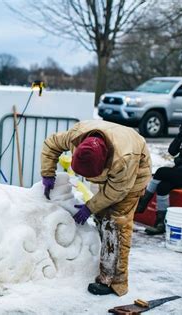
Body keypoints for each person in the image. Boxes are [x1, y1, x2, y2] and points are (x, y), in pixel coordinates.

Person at [41, 120, 152, 297]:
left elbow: (116, 192)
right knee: (102, 215)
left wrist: (89, 207)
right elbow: (51, 144)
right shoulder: (75, 136)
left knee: (117, 223)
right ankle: (104, 254)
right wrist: (47, 174)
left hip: (133, 176)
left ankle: (114, 280)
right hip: (113, 165)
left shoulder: (123, 159)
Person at [136, 105, 182, 235]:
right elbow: (172, 151)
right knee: (163, 186)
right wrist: (181, 135)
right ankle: (160, 223)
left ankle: (143, 203)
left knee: (161, 172)